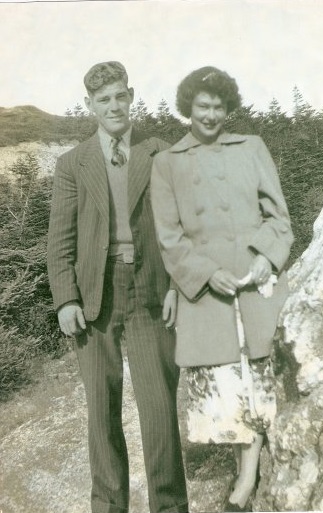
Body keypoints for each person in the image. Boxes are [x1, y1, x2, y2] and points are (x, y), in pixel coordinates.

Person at [47, 61, 188, 513]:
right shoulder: (73, 164)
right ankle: (108, 506)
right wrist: (66, 298)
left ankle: (169, 506)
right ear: (90, 106)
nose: (113, 106)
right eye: (103, 99)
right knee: (101, 412)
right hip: (95, 298)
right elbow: (61, 238)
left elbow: (182, 227)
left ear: (132, 97)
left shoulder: (159, 152)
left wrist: (177, 287)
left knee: (159, 409)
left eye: (119, 96)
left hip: (151, 291)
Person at [151, 66, 293, 512]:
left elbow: (279, 218)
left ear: (228, 108)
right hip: (209, 294)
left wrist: (265, 256)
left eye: (218, 106)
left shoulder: (252, 148)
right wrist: (207, 274)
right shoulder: (168, 163)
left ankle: (265, 466)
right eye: (202, 106)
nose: (210, 115)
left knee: (263, 373)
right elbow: (169, 239)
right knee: (228, 382)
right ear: (188, 109)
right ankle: (247, 472)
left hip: (255, 285)